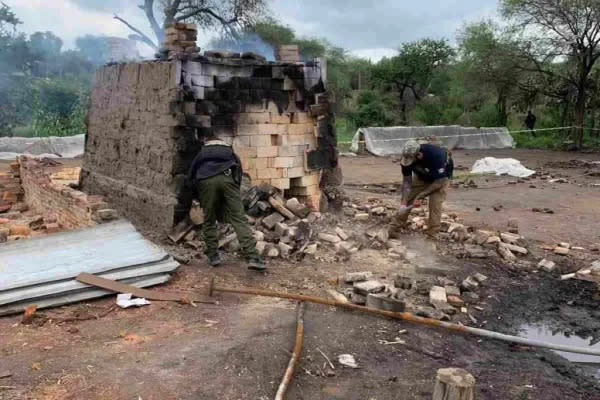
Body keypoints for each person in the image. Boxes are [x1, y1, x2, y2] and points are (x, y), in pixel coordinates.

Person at [188, 135, 265, 271]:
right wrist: (234, 191)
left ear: (207, 142)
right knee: (238, 218)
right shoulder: (230, 153)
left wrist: (198, 196)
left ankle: (213, 255)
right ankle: (253, 257)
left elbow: (191, 176)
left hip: (205, 181)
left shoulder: (202, 154)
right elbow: (239, 173)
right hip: (228, 178)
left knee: (209, 219)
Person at [389, 140, 453, 239]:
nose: (408, 162)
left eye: (411, 159)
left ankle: (432, 234)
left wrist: (420, 196)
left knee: (435, 204)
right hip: (422, 175)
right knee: (408, 198)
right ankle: (394, 229)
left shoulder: (436, 156)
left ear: (418, 155)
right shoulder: (406, 158)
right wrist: (403, 202)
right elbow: (407, 182)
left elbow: (439, 182)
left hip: (440, 178)